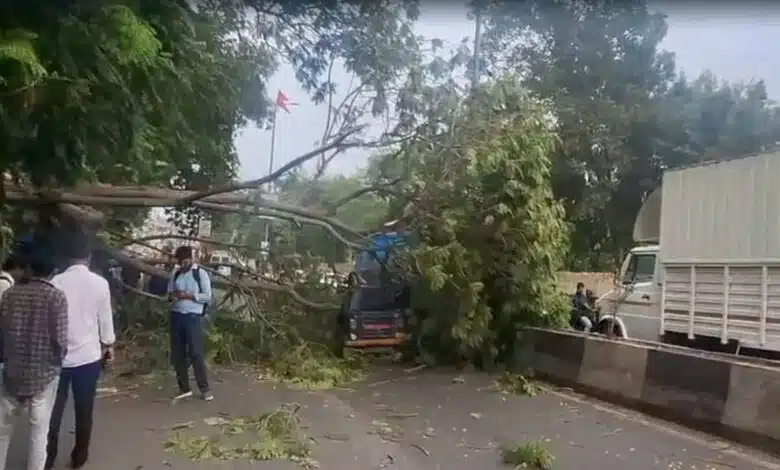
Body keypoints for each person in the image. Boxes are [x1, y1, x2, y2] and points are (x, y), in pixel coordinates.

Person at [46, 231, 115, 470]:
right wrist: (109, 345)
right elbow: (105, 321)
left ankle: (47, 457)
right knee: (84, 410)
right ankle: (79, 457)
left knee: (52, 412)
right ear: (89, 256)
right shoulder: (100, 283)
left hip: (57, 359)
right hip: (88, 358)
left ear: (67, 257)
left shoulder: (55, 283)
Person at [0, 251, 68, 470]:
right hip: (44, 373)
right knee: (39, 431)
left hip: (12, 370)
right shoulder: (56, 297)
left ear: (29, 268)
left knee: (2, 430)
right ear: (53, 271)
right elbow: (60, 337)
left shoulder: (10, 294)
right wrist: (57, 362)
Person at [167, 246, 213, 401]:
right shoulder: (176, 273)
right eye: (181, 262)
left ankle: (204, 388)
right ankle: (184, 387)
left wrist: (189, 295)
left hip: (193, 317)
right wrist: (173, 296)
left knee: (196, 353)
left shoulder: (200, 274)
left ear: (191, 259)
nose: (183, 264)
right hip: (176, 315)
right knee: (178, 354)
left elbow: (207, 296)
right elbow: (170, 292)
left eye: (186, 261)